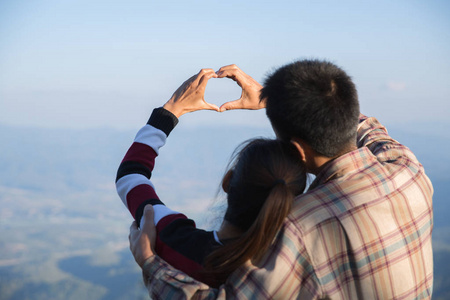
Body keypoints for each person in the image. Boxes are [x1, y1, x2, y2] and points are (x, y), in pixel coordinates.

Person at [128, 60, 434, 299]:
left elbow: (130, 177)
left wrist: (149, 263)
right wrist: (277, 102)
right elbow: (363, 125)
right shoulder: (407, 169)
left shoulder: (297, 232)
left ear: (297, 152)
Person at [117, 69, 308, 287]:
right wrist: (278, 103)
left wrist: (171, 110)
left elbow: (130, 176)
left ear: (228, 181)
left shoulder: (179, 245)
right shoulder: (302, 259)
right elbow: (350, 146)